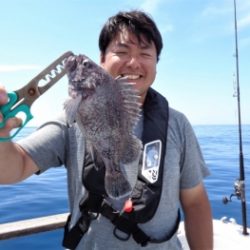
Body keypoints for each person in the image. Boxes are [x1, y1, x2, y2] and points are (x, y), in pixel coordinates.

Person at [0, 10, 213, 250]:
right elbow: (11, 169)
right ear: (102, 59)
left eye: (145, 53)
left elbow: (195, 203)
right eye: (121, 52)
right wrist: (1, 136)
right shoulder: (71, 119)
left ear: (156, 63)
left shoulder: (178, 124)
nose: (133, 63)